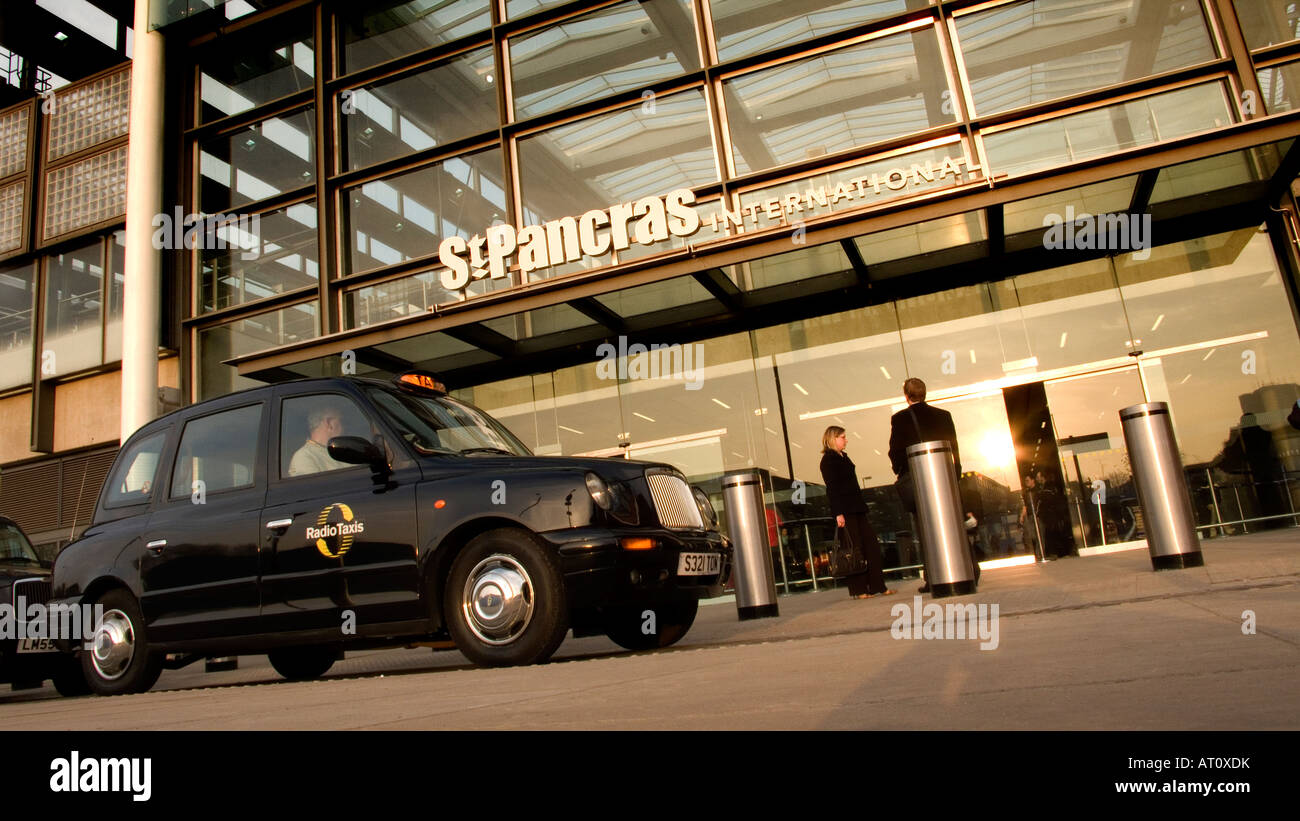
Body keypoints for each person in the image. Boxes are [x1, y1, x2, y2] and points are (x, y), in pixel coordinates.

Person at [888, 377, 977, 591]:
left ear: (907, 396)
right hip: (944, 476)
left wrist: (902, 471)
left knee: (926, 528)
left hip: (920, 479)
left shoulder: (900, 419)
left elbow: (896, 451)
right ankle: (969, 568)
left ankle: (933, 577)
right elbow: (954, 449)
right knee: (953, 523)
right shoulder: (943, 416)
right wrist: (955, 474)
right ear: (924, 393)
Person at [819, 425, 893, 599]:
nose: (846, 440)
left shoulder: (844, 457)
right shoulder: (828, 460)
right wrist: (838, 513)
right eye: (842, 437)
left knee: (871, 546)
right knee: (853, 550)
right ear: (832, 438)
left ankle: (877, 585)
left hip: (857, 508)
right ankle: (859, 589)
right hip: (845, 511)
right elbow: (832, 488)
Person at [288, 406, 350, 476]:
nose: (345, 426)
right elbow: (313, 486)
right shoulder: (304, 457)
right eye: (342, 421)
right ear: (329, 423)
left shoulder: (343, 451)